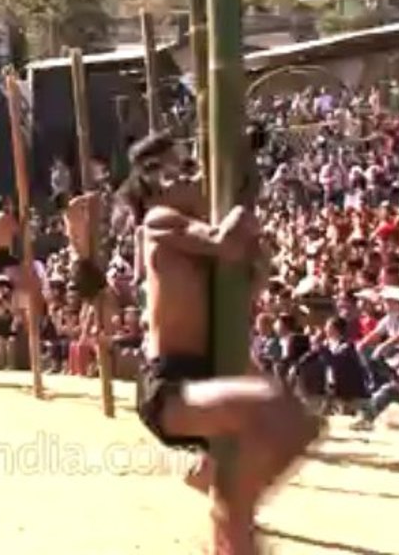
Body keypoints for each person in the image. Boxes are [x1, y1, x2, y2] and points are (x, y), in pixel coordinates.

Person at [66, 132, 319, 555]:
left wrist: (252, 246)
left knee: (299, 424)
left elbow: (247, 279)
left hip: (213, 373)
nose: (198, 180)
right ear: (161, 183)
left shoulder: (195, 232)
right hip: (172, 386)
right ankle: (229, 509)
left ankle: (230, 509)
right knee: (275, 410)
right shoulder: (160, 222)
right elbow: (225, 241)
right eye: (188, 172)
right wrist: (243, 199)